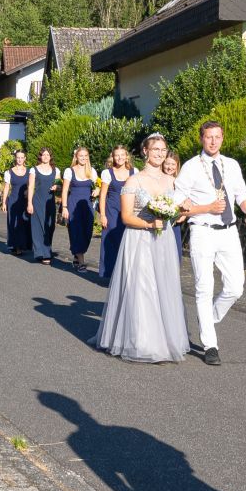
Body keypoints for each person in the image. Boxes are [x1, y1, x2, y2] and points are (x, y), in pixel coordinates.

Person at [93, 133, 189, 363]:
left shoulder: (171, 181)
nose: (159, 153)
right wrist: (148, 223)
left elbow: (177, 212)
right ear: (145, 151)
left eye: (163, 150)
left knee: (164, 287)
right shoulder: (134, 181)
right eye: (155, 149)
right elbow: (126, 217)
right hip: (139, 240)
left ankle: (165, 339)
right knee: (143, 288)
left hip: (163, 240)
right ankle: (142, 342)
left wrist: (180, 213)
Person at [174, 120, 246, 365]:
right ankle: (210, 344)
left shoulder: (231, 165)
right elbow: (178, 201)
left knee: (236, 287)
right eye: (208, 137)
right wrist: (206, 208)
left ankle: (208, 318)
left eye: (217, 137)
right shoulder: (191, 167)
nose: (213, 141)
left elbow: (241, 195)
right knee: (204, 287)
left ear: (223, 138)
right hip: (202, 230)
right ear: (201, 139)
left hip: (228, 231)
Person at [98, 145, 136, 278]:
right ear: (113, 157)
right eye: (117, 155)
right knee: (111, 240)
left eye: (122, 155)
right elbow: (102, 196)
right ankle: (110, 273)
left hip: (129, 209)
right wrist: (102, 215)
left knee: (128, 241)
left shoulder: (134, 171)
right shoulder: (107, 173)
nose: (120, 158)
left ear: (127, 156)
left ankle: (126, 274)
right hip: (112, 210)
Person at [61, 146, 96, 271]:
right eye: (81, 156)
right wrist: (64, 207)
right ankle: (81, 262)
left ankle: (77, 254)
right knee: (76, 232)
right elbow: (65, 190)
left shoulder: (92, 171)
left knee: (87, 232)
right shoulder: (69, 171)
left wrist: (97, 190)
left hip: (87, 206)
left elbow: (98, 186)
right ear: (76, 157)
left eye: (86, 156)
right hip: (73, 204)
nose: (84, 158)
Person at [27, 148, 59, 265]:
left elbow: (59, 185)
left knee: (50, 226)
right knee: (38, 227)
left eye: (47, 155)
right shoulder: (34, 170)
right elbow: (31, 187)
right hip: (38, 201)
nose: (45, 157)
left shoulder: (56, 170)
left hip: (50, 202)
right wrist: (29, 203)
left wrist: (57, 187)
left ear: (50, 157)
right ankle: (42, 253)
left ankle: (47, 249)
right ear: (40, 157)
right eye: (43, 155)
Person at [4, 148, 32, 255]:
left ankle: (22, 245)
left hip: (25, 201)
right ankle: (15, 245)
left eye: (22, 158)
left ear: (25, 158)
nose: (20, 160)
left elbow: (32, 185)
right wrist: (4, 202)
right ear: (15, 158)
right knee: (13, 223)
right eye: (18, 158)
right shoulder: (9, 172)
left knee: (23, 223)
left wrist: (28, 192)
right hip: (13, 200)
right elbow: (6, 187)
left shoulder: (30, 171)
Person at [162, 150, 185, 261]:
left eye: (173, 164)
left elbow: (187, 201)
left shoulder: (180, 182)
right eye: (167, 163)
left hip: (174, 224)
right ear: (163, 164)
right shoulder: (157, 180)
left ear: (177, 166)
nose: (170, 167)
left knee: (174, 257)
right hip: (159, 223)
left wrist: (183, 214)